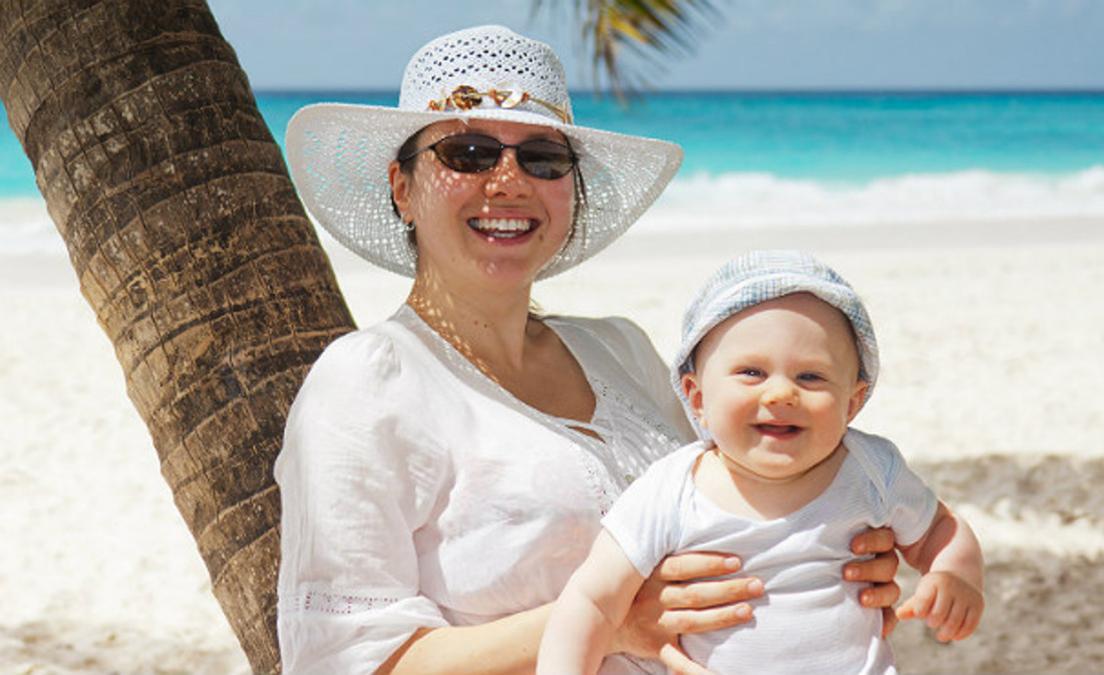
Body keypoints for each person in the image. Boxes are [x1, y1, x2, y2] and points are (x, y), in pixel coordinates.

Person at [275, 26, 903, 675]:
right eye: (469, 152)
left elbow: (746, 489)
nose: (509, 181)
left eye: (543, 157)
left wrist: (832, 549)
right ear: (403, 188)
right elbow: (341, 661)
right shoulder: (364, 383)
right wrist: (611, 618)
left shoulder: (619, 350)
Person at [538, 251, 985, 674]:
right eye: (751, 373)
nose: (780, 394)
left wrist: (954, 575)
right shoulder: (672, 489)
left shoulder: (871, 469)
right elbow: (592, 601)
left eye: (810, 376)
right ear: (697, 397)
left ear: (854, 400)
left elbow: (941, 531)